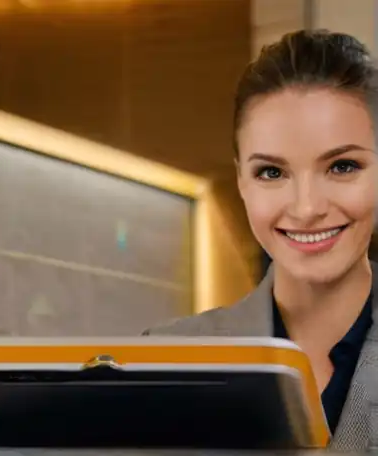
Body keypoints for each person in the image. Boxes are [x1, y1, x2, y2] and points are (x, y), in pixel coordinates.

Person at [143, 29, 377, 451]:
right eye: (272, 173)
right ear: (241, 181)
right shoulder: (165, 362)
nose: (306, 208)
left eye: (342, 167)